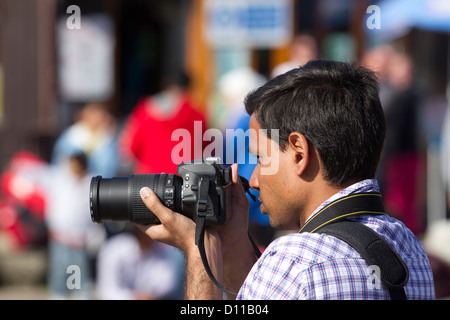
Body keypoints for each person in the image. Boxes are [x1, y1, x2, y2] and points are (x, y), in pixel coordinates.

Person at [137, 60, 435, 300]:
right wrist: (236, 244)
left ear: (298, 153)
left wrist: (198, 250)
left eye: (261, 159)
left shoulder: (294, 262)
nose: (252, 179)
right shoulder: (408, 247)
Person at [96, 225, 185, 300]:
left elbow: (168, 284)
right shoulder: (114, 249)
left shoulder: (162, 249)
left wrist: (147, 295)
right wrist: (135, 297)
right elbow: (106, 291)